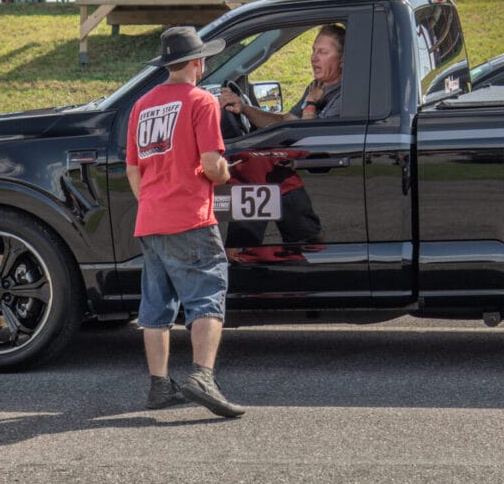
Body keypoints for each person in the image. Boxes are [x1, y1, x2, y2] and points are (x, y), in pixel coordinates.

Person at [126, 26, 246, 418]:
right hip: (190, 218)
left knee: (156, 308)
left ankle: (159, 386)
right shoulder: (201, 101)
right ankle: (202, 375)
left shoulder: (141, 105)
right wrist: (226, 171)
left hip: (151, 219)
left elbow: (132, 169)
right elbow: (212, 165)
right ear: (198, 62)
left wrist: (151, 201)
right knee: (207, 295)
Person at [218, 24, 344, 129]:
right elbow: (285, 121)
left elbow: (310, 136)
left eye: (323, 52)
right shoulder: (316, 86)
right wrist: (244, 108)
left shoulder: (345, 96)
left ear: (342, 59)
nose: (313, 58)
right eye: (313, 51)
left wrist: (311, 103)